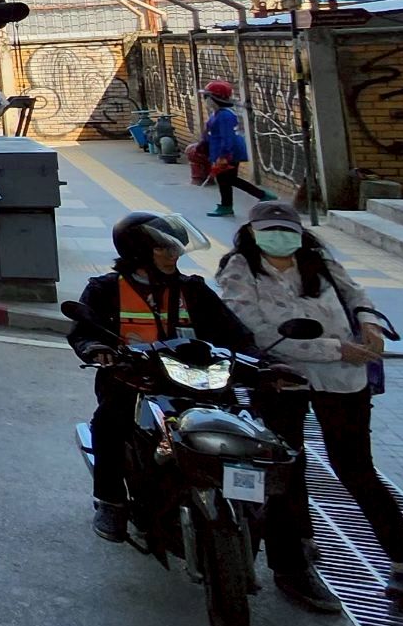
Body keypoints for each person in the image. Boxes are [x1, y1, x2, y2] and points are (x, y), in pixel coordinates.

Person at [217, 200, 403, 614]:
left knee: (356, 469)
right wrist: (335, 349)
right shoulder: (239, 269)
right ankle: (298, 549)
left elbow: (356, 294)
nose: (279, 238)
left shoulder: (320, 262)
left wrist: (369, 322)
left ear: (300, 234)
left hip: (343, 379)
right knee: (287, 467)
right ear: (253, 234)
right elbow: (257, 332)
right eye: (269, 231)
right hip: (282, 377)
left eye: (287, 231)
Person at [67, 209, 259, 547]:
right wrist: (97, 349)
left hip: (199, 382)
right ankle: (111, 502)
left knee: (245, 427)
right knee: (109, 425)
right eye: (164, 248)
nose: (174, 255)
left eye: (176, 248)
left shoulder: (193, 290)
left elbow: (236, 334)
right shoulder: (106, 288)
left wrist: (261, 363)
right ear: (138, 253)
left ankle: (254, 508)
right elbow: (83, 331)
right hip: (135, 381)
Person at [200, 80, 271, 220]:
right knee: (226, 180)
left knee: (228, 179)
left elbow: (227, 138)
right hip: (221, 152)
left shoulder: (225, 116)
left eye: (207, 97)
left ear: (215, 99)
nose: (205, 100)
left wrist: (224, 156)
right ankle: (227, 205)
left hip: (228, 154)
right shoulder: (217, 114)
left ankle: (261, 196)